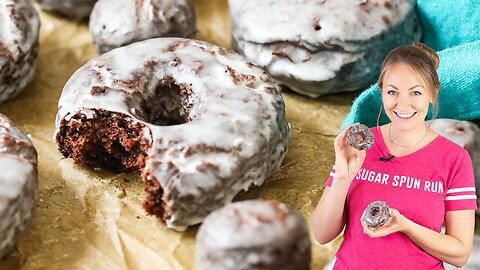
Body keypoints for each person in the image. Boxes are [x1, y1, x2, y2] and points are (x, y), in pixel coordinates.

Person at [312, 42, 476, 269]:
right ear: (381, 92)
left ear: (432, 94)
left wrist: (406, 225)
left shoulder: (455, 159)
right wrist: (342, 176)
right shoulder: (358, 147)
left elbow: (460, 254)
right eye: (392, 92)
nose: (403, 104)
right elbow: (322, 234)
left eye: (416, 92)